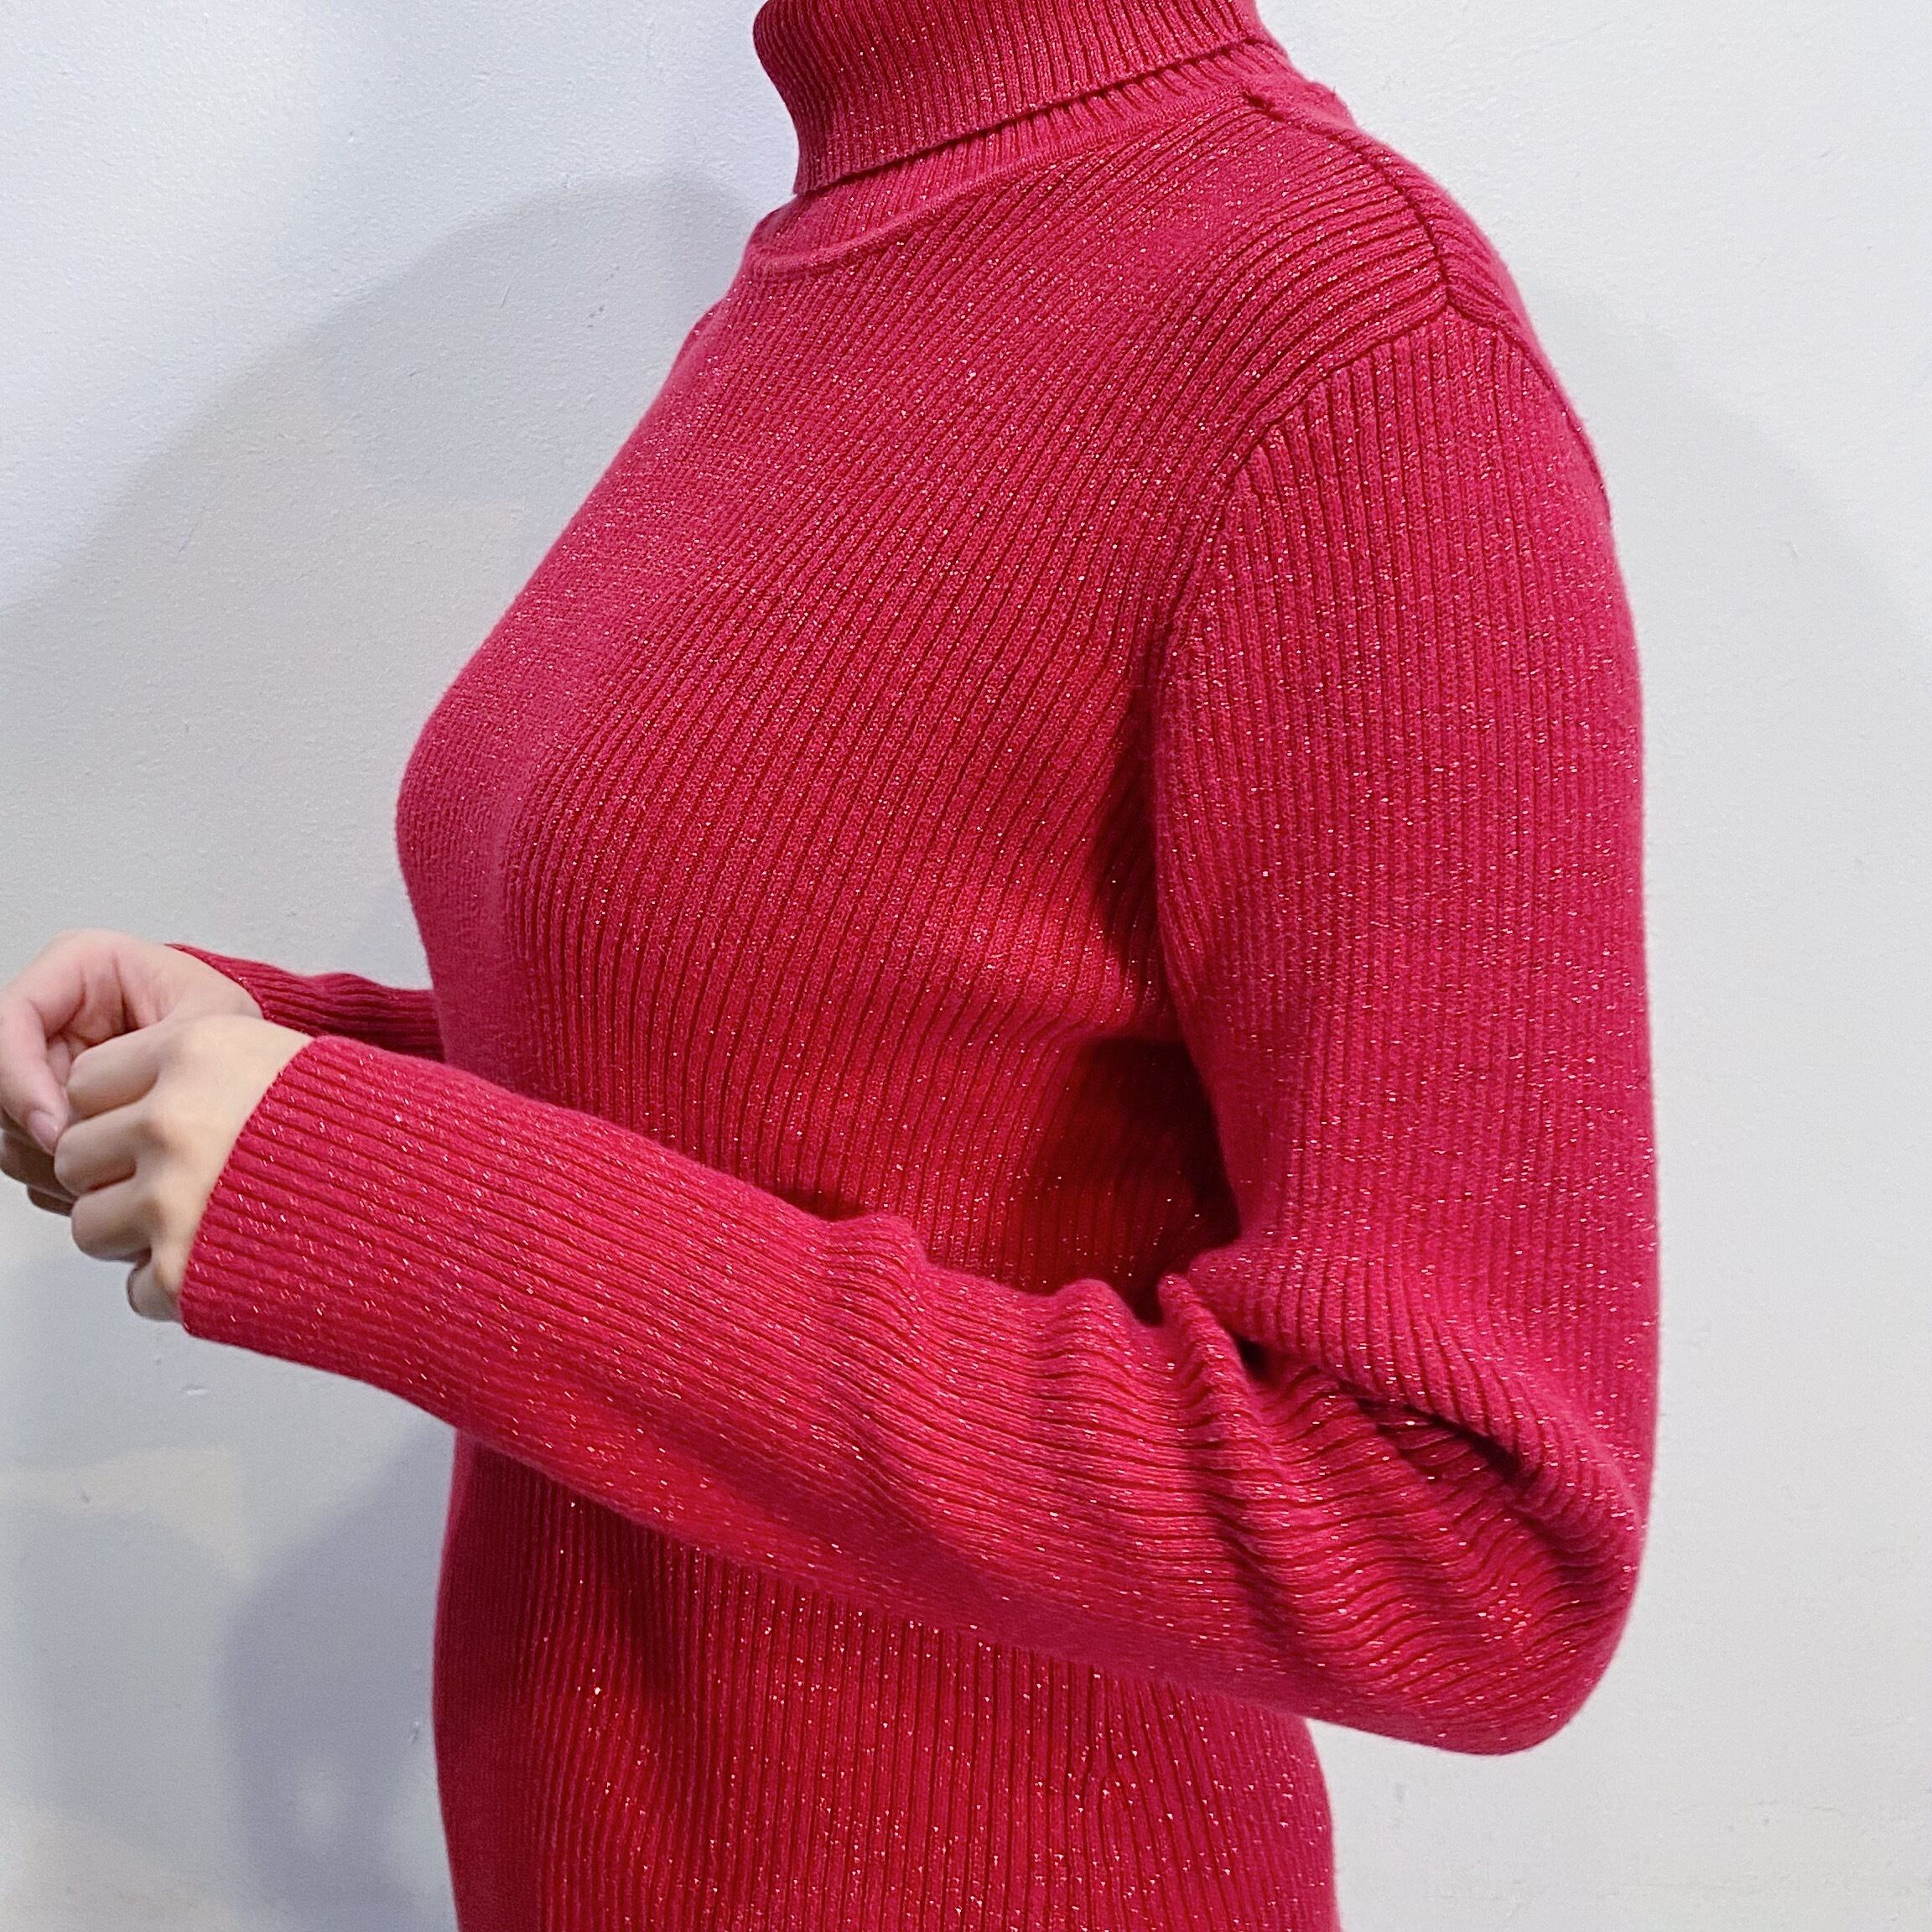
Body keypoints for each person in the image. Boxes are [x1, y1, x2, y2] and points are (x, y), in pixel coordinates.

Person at [0, 2, 1661, 1926]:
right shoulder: (849, 246)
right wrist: (290, 1063)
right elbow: (803, 1085)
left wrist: (382, 1197)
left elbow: (1461, 1552)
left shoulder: (1355, 343)